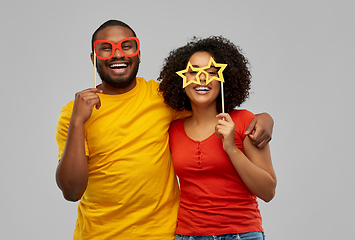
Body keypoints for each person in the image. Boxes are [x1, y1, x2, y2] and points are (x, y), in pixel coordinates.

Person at [55, 20, 274, 240]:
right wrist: (77, 121)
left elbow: (205, 105)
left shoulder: (162, 99)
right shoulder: (73, 114)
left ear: (139, 54)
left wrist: (264, 118)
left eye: (127, 46)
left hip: (163, 234)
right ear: (94, 58)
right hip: (98, 235)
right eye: (106, 48)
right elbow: (72, 192)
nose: (118, 54)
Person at [158, 36, 277, 240]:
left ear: (223, 79)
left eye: (211, 72)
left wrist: (231, 148)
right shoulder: (172, 130)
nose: (202, 78)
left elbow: (268, 191)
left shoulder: (243, 121)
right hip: (188, 235)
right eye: (193, 72)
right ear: (181, 80)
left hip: (242, 234)